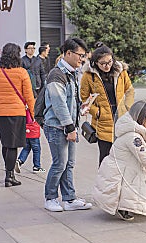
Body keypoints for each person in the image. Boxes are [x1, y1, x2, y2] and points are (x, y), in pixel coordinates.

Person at [43, 38, 93, 212]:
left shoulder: (72, 73)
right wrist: (70, 128)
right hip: (57, 127)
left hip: (68, 125)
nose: (82, 59)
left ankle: (69, 199)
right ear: (68, 53)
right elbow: (58, 104)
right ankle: (50, 198)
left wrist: (81, 109)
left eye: (84, 56)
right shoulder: (57, 74)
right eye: (80, 55)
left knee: (69, 164)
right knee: (59, 164)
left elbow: (70, 102)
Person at [80, 43, 135, 166]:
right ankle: (104, 184)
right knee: (105, 159)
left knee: (122, 158)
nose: (107, 66)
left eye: (109, 62)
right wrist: (96, 112)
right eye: (103, 64)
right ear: (95, 63)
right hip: (103, 122)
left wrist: (127, 107)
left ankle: (120, 184)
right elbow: (84, 98)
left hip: (121, 118)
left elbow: (130, 90)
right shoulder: (89, 76)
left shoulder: (121, 72)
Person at [0, 43, 35, 187]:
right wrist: (33, 115)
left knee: (6, 143)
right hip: (17, 112)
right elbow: (29, 96)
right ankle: (9, 177)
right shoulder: (22, 72)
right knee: (13, 145)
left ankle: (9, 173)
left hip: (1, 112)